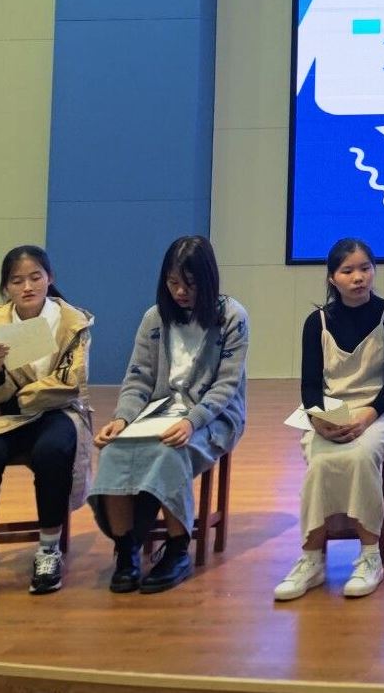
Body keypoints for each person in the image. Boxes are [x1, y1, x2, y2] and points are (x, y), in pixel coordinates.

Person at [90, 235, 250, 595]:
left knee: (168, 452)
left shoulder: (232, 317)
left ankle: (178, 549)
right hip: (158, 412)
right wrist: (122, 419)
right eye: (173, 282)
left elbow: (225, 386)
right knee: (113, 451)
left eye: (190, 284)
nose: (180, 292)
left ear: (208, 281)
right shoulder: (154, 318)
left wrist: (191, 421)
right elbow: (138, 378)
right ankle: (126, 549)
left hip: (214, 416)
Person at [0, 245, 93, 604]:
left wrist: (17, 399)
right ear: (6, 287)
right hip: (2, 419)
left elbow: (70, 384)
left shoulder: (72, 322)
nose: (27, 287)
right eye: (17, 281)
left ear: (50, 278)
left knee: (53, 451)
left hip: (56, 413)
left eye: (35, 277)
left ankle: (49, 550)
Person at [274, 238, 384, 601]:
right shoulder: (316, 322)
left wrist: (366, 417)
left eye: (365, 268)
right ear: (332, 277)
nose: (358, 277)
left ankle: (369, 555)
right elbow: (310, 385)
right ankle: (311, 558)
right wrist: (320, 420)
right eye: (348, 271)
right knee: (320, 461)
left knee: (361, 456)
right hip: (331, 413)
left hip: (378, 411)